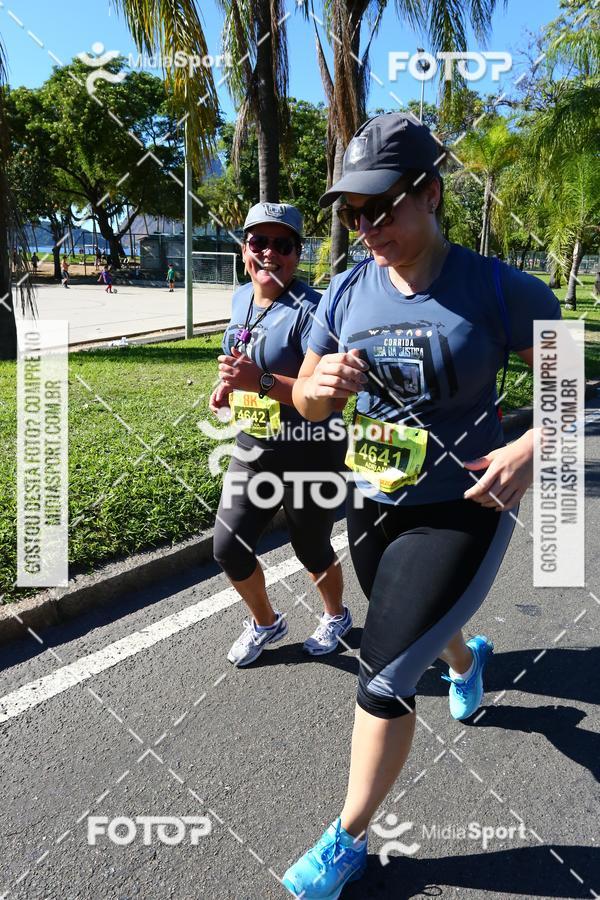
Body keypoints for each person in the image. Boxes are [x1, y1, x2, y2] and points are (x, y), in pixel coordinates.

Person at [283, 112, 561, 897]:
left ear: (430, 194)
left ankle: (347, 840)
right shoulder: (344, 292)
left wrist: (531, 447)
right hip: (372, 503)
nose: (367, 227)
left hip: (463, 502)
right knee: (416, 627)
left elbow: (568, 383)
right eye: (352, 214)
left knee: (383, 673)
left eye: (383, 209)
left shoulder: (500, 289)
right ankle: (470, 660)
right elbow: (306, 401)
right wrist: (317, 390)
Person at [210, 202, 351, 667]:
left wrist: (262, 382)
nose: (270, 253)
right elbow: (241, 359)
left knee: (310, 545)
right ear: (245, 247)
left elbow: (333, 400)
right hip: (254, 442)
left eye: (283, 244)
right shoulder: (240, 298)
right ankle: (267, 622)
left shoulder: (316, 313)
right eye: (259, 242)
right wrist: (227, 386)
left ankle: (336, 615)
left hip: (312, 448)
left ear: (298, 252)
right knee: (228, 546)